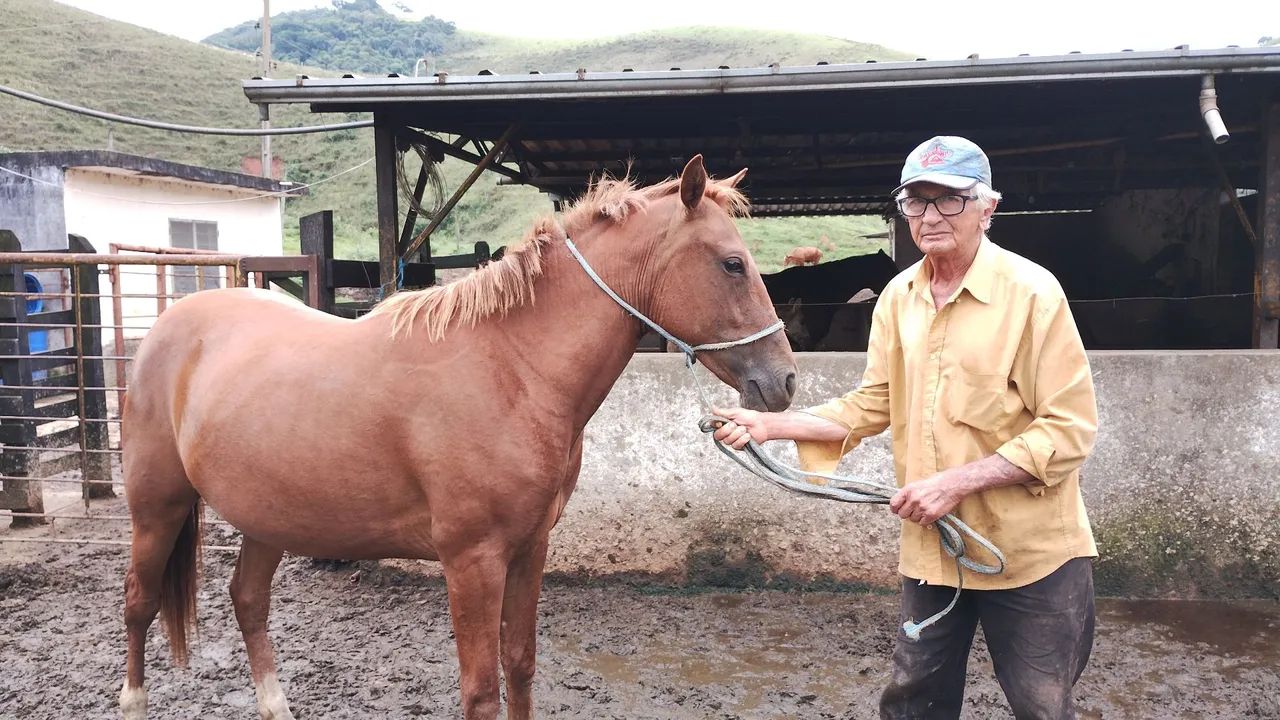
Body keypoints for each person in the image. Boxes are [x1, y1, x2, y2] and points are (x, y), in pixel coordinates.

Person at [714, 136, 1100, 719]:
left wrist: (955, 483)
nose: (929, 216)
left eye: (949, 200)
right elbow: (874, 402)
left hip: (1029, 554)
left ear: (986, 208)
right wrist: (771, 425)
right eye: (915, 202)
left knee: (1042, 704)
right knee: (912, 699)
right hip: (934, 552)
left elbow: (1069, 429)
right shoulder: (899, 296)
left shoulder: (1033, 293)